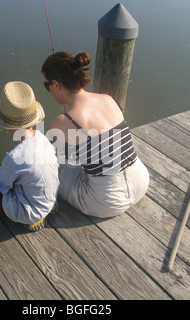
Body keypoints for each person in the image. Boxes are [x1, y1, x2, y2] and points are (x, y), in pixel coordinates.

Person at [42, 51, 149, 218]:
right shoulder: (108, 98)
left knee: (54, 168)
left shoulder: (62, 121)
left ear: (56, 84)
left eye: (46, 85)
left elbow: (49, 160)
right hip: (141, 181)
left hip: (106, 201)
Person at [0, 81, 59, 231]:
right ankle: (42, 210)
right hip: (49, 200)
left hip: (30, 211)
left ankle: (32, 218)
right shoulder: (43, 139)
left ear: (8, 124)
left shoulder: (16, 157)